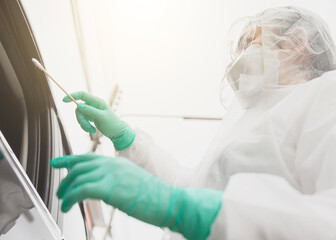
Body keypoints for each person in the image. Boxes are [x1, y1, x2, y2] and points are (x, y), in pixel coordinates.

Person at [50, 6, 336, 240]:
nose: (244, 52)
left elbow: (327, 222)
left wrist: (197, 212)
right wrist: (128, 140)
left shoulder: (326, 97)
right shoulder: (251, 124)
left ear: (298, 42)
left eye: (252, 40)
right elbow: (190, 191)